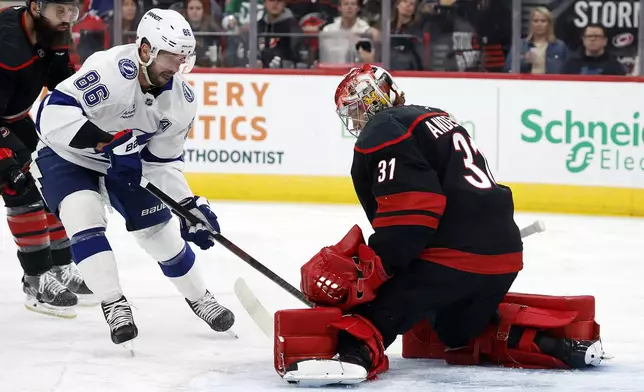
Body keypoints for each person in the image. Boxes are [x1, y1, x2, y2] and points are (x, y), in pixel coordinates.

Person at [273, 64, 605, 386]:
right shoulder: (434, 116)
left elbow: (413, 210)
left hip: (451, 256)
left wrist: (377, 267)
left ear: (371, 101)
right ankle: (557, 346)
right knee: (456, 331)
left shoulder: (384, 128)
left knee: (375, 313)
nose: (356, 119)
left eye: (356, 109)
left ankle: (352, 358)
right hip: (502, 257)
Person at [33, 8, 235, 347]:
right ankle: (114, 303)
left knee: (159, 232)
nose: (177, 68)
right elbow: (51, 114)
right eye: (170, 57)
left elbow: (163, 162)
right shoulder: (109, 71)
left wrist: (187, 204)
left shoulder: (181, 100)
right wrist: (106, 141)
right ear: (145, 50)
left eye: (183, 58)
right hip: (66, 154)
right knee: (83, 213)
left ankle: (200, 297)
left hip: (124, 163)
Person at [0, 0, 97, 319]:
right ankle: (36, 279)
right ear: (35, 7)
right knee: (20, 185)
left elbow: (63, 86)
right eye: (61, 11)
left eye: (73, 12)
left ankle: (60, 267)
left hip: (13, 118)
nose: (68, 19)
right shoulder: (6, 43)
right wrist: (8, 161)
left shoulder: (52, 32)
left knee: (52, 176)